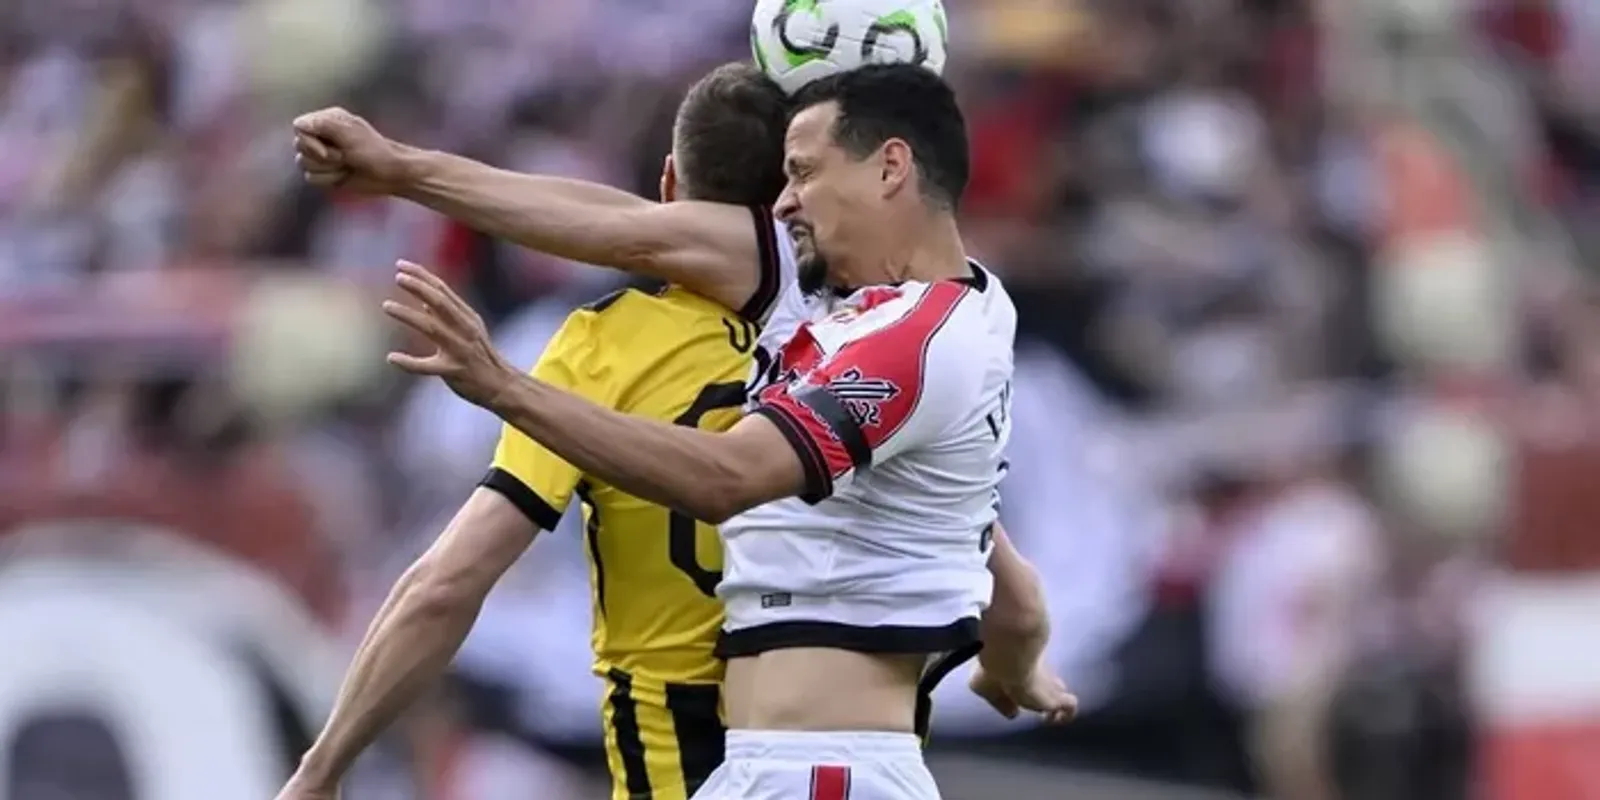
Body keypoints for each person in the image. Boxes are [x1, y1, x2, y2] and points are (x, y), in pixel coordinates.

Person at [303, 64, 1074, 800]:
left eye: (807, 175)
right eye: (788, 177)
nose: (788, 207)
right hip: (785, 758)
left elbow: (720, 473)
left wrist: (503, 384)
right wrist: (1013, 662)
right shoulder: (850, 318)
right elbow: (1016, 597)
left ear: (890, 168)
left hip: (789, 764)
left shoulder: (900, 342)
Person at [276, 64, 794, 800]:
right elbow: (623, 224)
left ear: (671, 181)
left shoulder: (600, 350)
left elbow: (447, 582)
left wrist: (321, 768)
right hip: (839, 735)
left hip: (680, 752)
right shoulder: (854, 316)